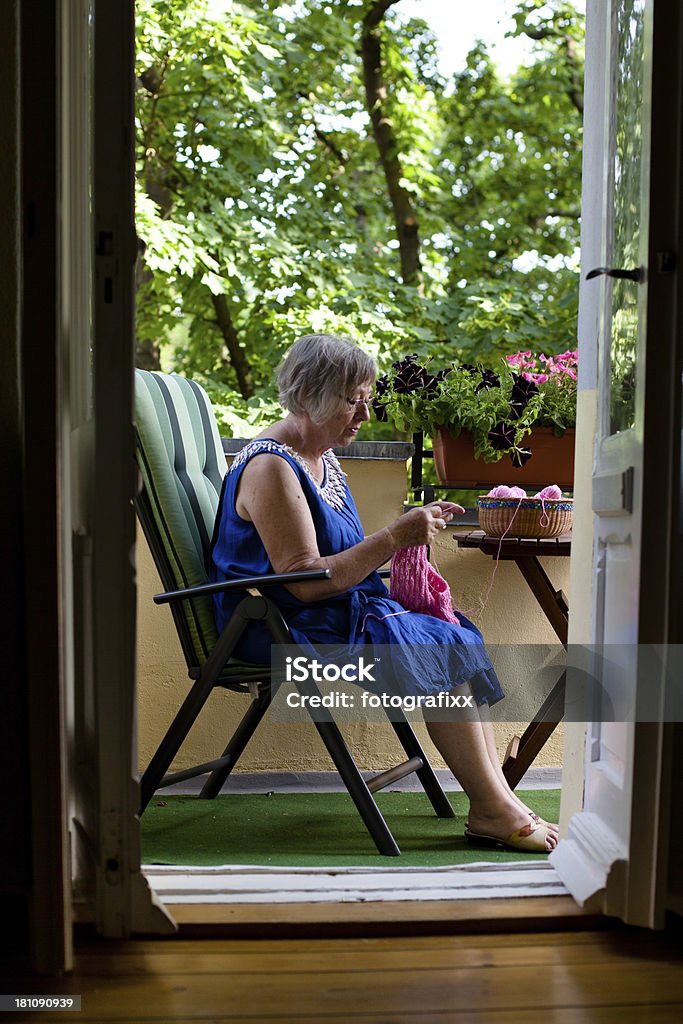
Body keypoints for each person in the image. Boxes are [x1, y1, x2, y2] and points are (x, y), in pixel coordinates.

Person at [210, 333, 558, 852]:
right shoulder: (271, 467)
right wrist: (394, 538)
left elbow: (338, 560)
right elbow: (304, 583)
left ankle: (496, 797)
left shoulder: (321, 459)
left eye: (366, 399)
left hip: (332, 616)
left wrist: (407, 537)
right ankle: (491, 807)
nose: (364, 414)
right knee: (436, 646)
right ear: (308, 397)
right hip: (280, 630)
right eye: (354, 400)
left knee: (455, 631)